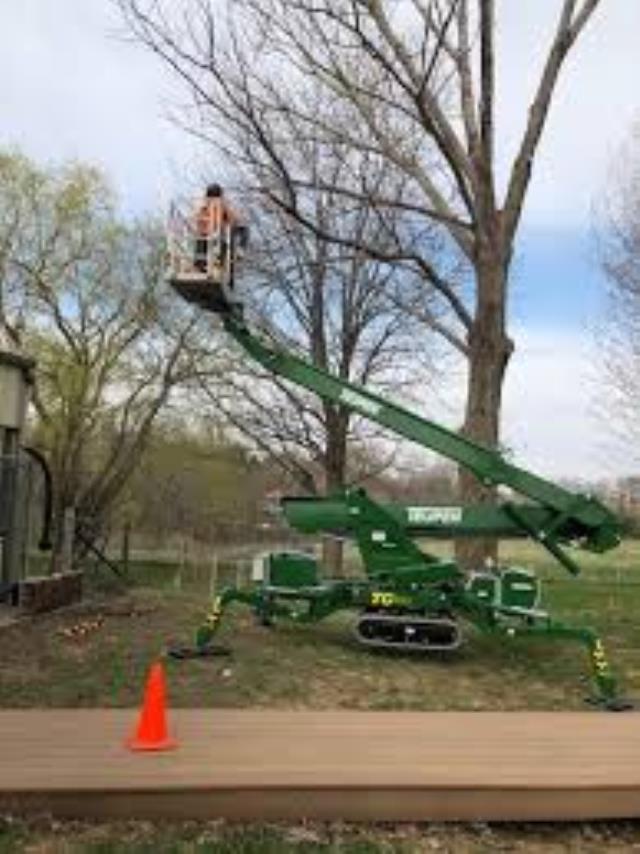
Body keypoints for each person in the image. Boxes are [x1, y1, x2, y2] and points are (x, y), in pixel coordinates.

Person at [193, 184, 240, 278]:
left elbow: (234, 220)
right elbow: (197, 221)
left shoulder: (222, 208)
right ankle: (201, 265)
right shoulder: (204, 207)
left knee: (227, 239)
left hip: (218, 236)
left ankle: (219, 264)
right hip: (206, 237)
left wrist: (225, 207)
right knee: (203, 241)